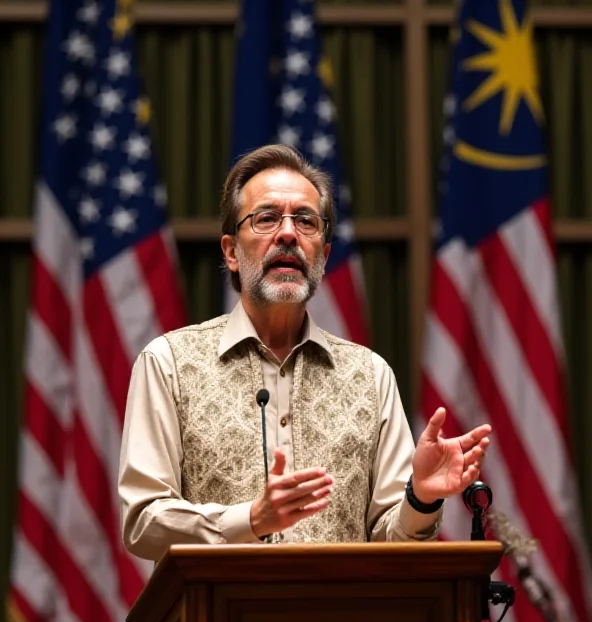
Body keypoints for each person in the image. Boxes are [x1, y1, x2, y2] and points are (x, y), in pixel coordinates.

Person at [119, 145, 491, 562]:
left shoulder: (370, 376)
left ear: (324, 256)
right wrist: (251, 519)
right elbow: (143, 521)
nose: (288, 233)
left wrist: (421, 497)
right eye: (266, 218)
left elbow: (394, 548)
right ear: (230, 252)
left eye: (306, 221)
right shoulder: (168, 363)